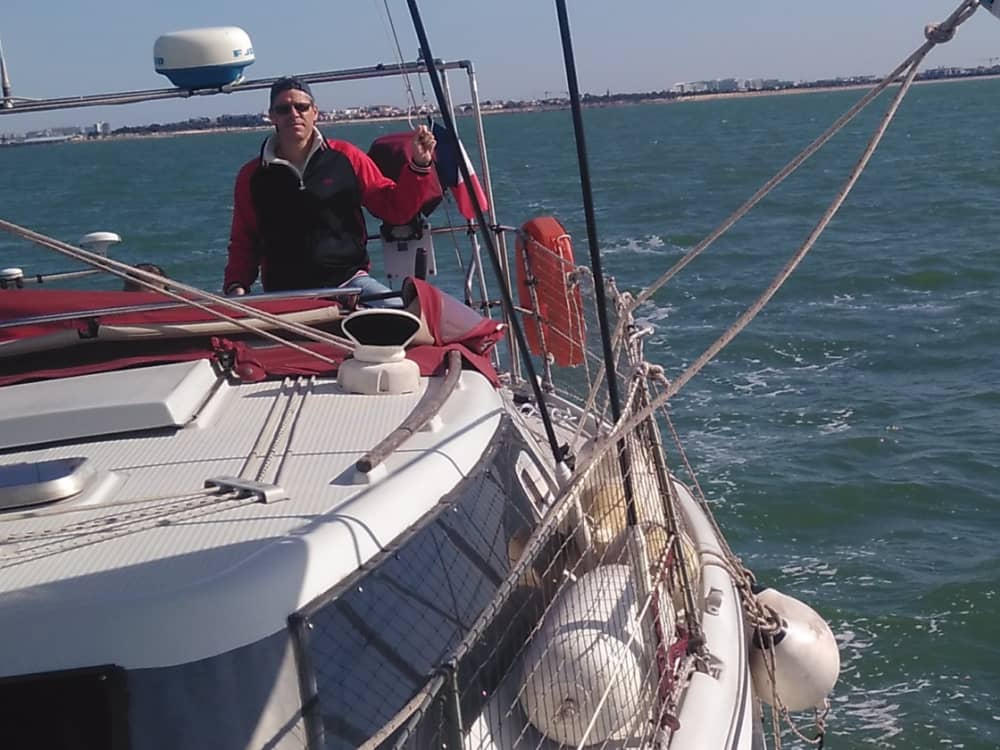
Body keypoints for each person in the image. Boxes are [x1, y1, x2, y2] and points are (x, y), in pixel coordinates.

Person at [223, 76, 438, 307]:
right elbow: (243, 241)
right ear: (272, 116)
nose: (294, 114)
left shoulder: (347, 157)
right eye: (284, 109)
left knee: (405, 317)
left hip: (350, 284)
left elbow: (394, 208)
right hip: (284, 294)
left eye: (302, 107)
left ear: (315, 112)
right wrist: (237, 286)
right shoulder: (252, 176)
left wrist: (419, 165)